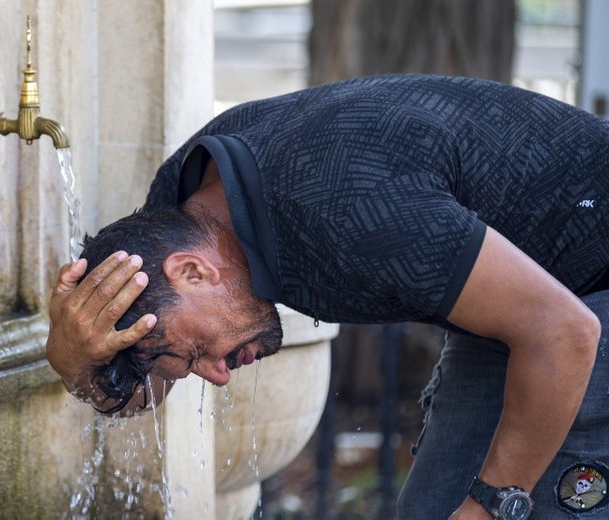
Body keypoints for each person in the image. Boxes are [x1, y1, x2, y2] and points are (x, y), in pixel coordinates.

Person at [45, 74, 609, 519]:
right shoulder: (179, 211)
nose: (216, 376)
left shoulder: (352, 216)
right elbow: (147, 384)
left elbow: (565, 333)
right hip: (524, 305)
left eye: (196, 355)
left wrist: (493, 506)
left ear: (193, 272)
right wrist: (73, 361)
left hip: (584, 294)